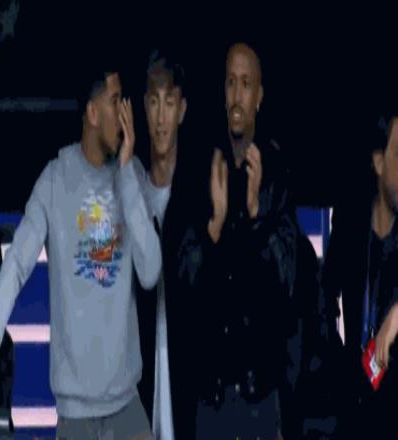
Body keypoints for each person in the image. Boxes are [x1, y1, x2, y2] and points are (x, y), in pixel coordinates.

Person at [0, 59, 162, 440]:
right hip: (75, 416)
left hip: (128, 405)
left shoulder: (132, 172)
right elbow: (18, 260)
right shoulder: (55, 179)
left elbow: (151, 271)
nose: (125, 112)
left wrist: (126, 173)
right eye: (116, 101)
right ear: (92, 113)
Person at [193, 42, 297, 440]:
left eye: (246, 84)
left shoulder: (278, 174)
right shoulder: (203, 169)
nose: (237, 95)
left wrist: (256, 215)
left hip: (260, 396)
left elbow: (287, 283)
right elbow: (184, 284)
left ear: (259, 97)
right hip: (212, 397)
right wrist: (215, 226)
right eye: (231, 83)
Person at [323, 112, 398, 439]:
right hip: (351, 411)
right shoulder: (351, 223)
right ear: (379, 163)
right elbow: (324, 298)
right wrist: (337, 364)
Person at [136, 50, 187, 440]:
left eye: (169, 103)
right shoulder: (131, 191)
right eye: (154, 102)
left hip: (187, 380)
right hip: (138, 378)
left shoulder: (199, 197)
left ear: (181, 110)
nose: (160, 117)